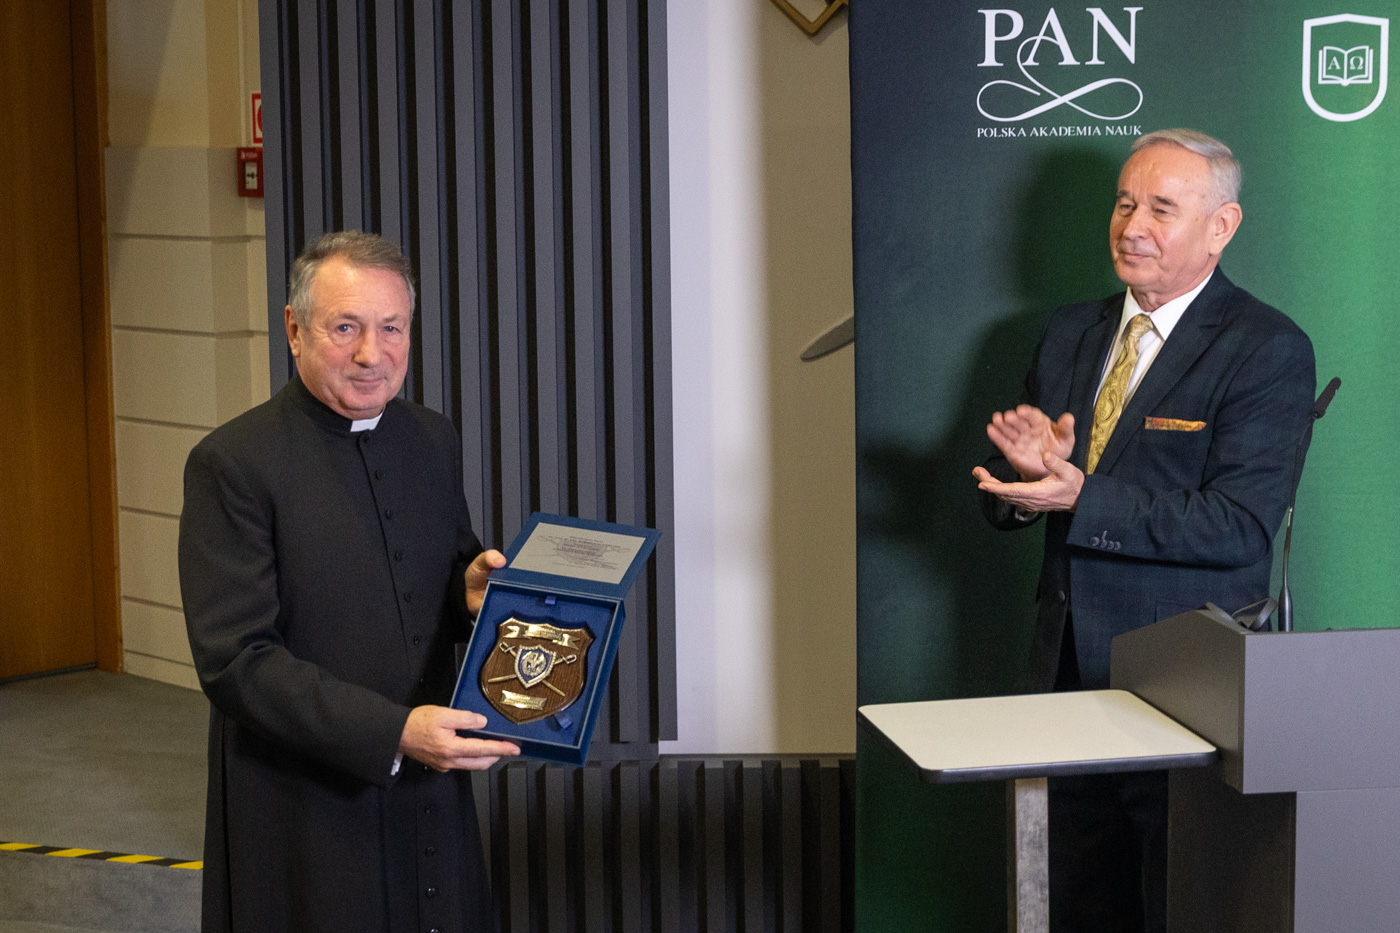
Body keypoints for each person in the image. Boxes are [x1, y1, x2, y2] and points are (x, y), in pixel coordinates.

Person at [972, 130, 1316, 933]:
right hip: (1063, 684)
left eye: (1162, 208)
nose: (1133, 226)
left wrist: (1080, 495)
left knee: (1182, 906)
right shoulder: (1070, 332)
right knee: (1068, 903)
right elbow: (1009, 495)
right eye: (1125, 203)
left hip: (1187, 690)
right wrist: (1023, 483)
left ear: (1221, 226)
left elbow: (1239, 526)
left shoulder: (1266, 348)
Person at [179, 231, 521, 933]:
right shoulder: (233, 463)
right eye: (345, 328)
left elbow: (436, 573)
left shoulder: (431, 437)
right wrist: (394, 732)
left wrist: (468, 595)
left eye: (391, 327)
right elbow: (236, 660)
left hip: (429, 782)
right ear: (294, 329)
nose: (372, 353)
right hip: (303, 805)